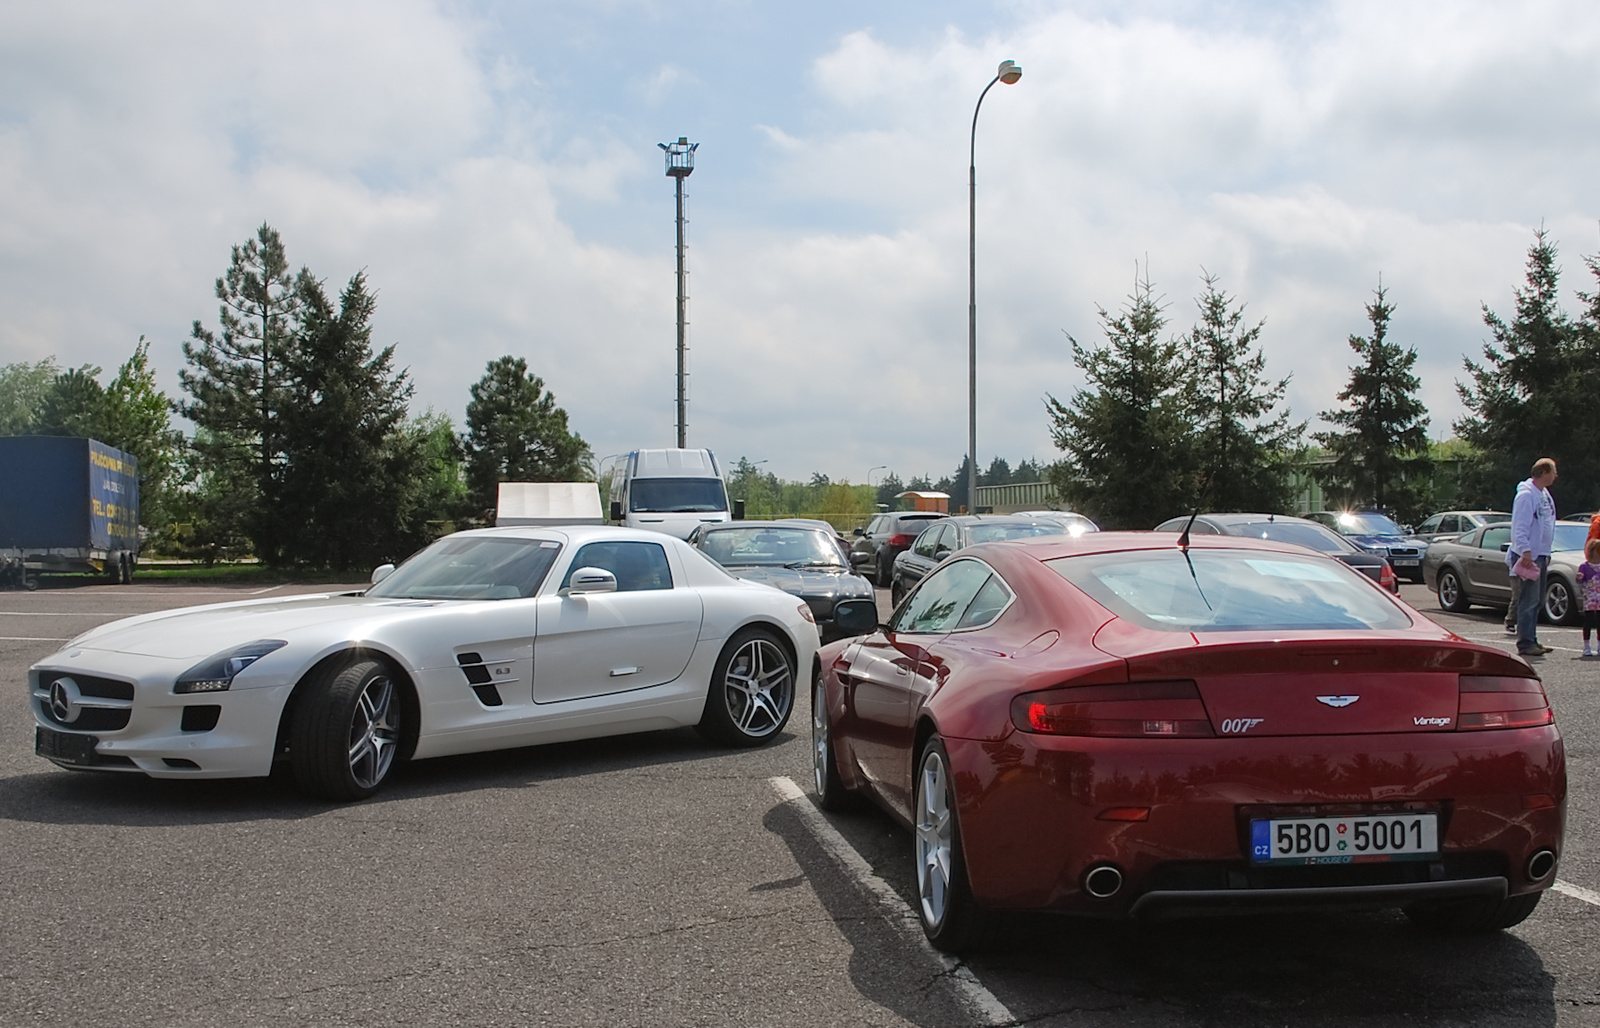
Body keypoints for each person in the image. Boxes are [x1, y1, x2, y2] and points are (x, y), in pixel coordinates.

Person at [1507, 458, 1558, 657]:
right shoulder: (1526, 495)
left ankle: (1532, 639)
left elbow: (1546, 523)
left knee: (1536, 601)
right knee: (1528, 600)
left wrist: (1546, 552)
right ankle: (1525, 643)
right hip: (1529, 556)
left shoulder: (1543, 494)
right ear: (1544, 472)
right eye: (1554, 471)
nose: (1556, 475)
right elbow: (1520, 525)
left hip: (1541, 554)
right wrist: (1525, 551)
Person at [1579, 539, 1600, 657]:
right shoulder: (1584, 567)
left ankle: (1599, 645)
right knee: (1588, 621)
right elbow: (1580, 580)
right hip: (1590, 599)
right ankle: (1586, 646)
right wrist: (1580, 577)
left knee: (1599, 622)